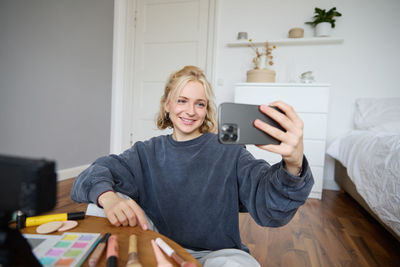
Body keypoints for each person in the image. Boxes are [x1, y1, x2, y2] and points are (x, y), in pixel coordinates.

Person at [71, 65, 314, 266]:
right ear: (167, 105)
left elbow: (269, 206)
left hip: (216, 255)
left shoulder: (230, 152)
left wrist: (293, 163)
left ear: (206, 109)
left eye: (199, 104)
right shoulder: (146, 151)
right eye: (182, 100)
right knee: (99, 205)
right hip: (157, 246)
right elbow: (92, 174)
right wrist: (109, 198)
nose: (190, 111)